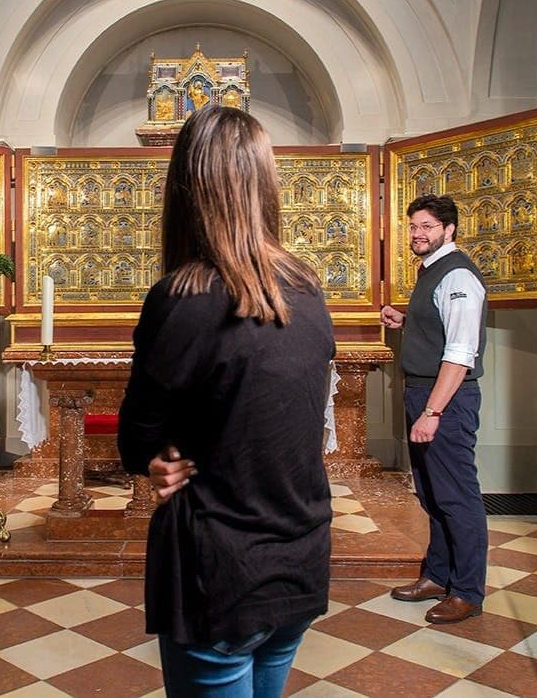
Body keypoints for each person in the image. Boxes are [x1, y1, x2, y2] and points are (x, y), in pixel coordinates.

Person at [118, 107, 335, 697]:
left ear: (185, 189)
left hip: (222, 565)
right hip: (300, 554)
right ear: (265, 184)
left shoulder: (183, 297)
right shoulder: (309, 291)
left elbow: (137, 436)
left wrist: (157, 456)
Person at [381, 193, 488, 624]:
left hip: (446, 400)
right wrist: (408, 321)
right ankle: (438, 575)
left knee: (456, 496)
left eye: (427, 226)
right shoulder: (431, 272)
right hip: (424, 392)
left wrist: (433, 412)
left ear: (449, 229)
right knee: (430, 492)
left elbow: (461, 352)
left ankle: (466, 590)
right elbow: (443, 329)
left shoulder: (458, 274)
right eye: (413, 227)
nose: (418, 234)